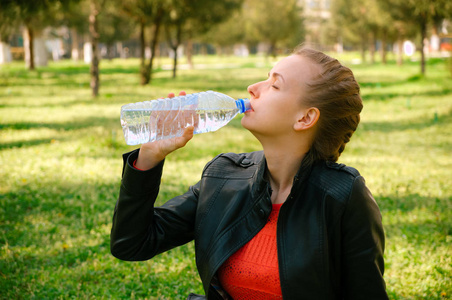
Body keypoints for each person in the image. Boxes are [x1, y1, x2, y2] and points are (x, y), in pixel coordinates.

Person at [110, 46, 388, 300]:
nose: (253, 88)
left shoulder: (343, 195)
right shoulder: (224, 177)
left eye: (274, 85)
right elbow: (132, 244)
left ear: (305, 118)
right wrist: (149, 157)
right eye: (265, 78)